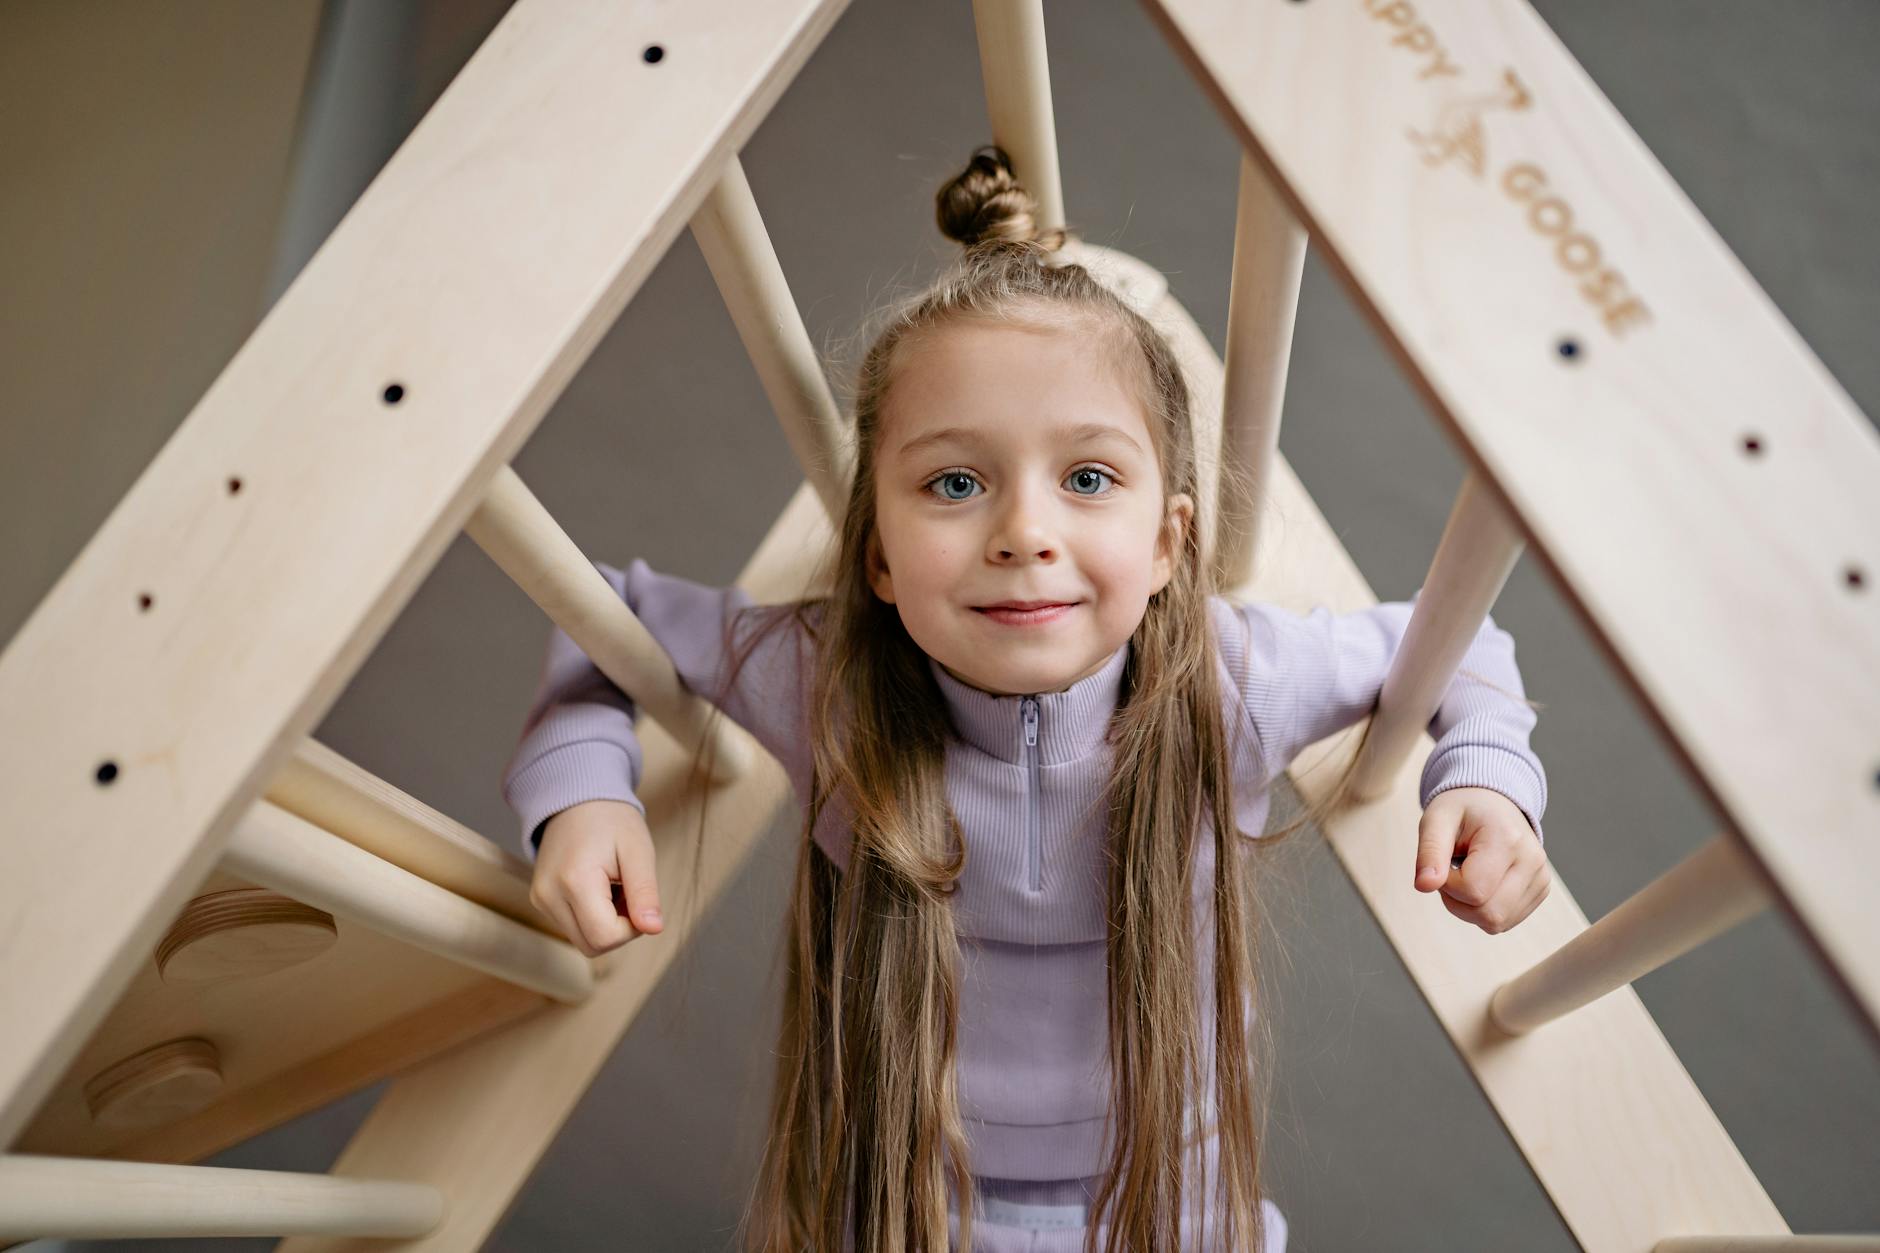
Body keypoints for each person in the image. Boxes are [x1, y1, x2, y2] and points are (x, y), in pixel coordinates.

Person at [501, 146, 1551, 1253]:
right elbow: (599, 615)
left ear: (1164, 542)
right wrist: (583, 796)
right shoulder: (829, 683)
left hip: (1172, 1196)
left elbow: (1459, 638)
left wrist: (1483, 773)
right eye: (954, 482)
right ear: (876, 557)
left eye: (1086, 478)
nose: (1021, 530)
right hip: (900, 1196)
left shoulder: (1230, 683)